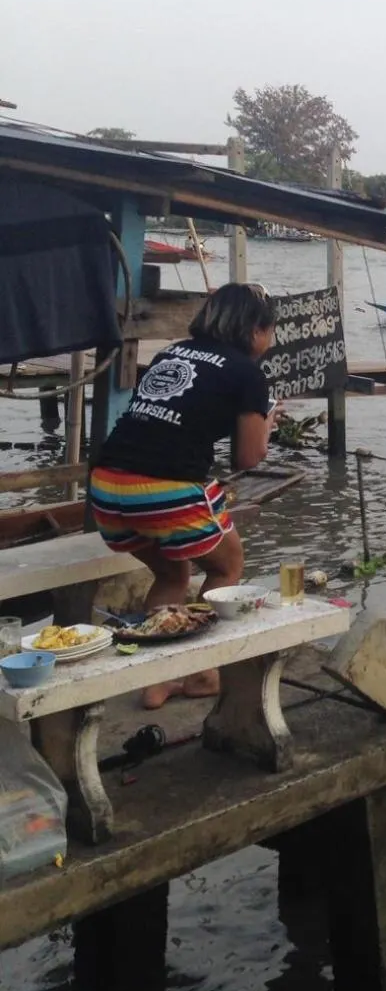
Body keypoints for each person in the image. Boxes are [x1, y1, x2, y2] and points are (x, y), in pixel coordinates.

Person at [89, 283, 282, 709]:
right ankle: (198, 673)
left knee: (173, 575)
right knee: (228, 564)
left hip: (105, 487)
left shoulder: (172, 353)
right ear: (255, 330)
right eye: (270, 331)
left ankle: (158, 682)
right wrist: (266, 421)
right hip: (164, 490)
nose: (270, 342)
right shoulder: (248, 373)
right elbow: (249, 458)